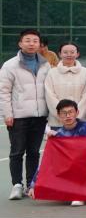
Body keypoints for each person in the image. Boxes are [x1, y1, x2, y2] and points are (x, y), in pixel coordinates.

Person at [1, 29, 51, 200]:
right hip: (18, 116)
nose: (31, 44)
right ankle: (17, 184)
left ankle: (32, 183)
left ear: (39, 44)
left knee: (34, 152)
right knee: (17, 152)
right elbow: (3, 92)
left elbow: (49, 89)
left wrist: (49, 114)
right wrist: (7, 114)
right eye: (27, 40)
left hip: (40, 116)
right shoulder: (10, 65)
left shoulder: (45, 64)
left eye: (35, 41)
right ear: (20, 43)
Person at [30, 99, 86, 205]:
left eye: (71, 112)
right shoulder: (57, 135)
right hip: (66, 168)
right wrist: (34, 185)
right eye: (64, 113)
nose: (68, 116)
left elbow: (81, 145)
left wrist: (58, 136)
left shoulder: (85, 126)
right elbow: (46, 161)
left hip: (84, 165)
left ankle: (79, 195)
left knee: (78, 163)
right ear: (58, 115)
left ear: (77, 112)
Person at [44, 41, 86, 125]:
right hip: (57, 122)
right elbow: (50, 96)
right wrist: (61, 115)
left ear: (77, 54)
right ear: (60, 54)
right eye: (65, 52)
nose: (69, 55)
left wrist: (76, 116)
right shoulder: (52, 73)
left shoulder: (85, 72)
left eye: (72, 52)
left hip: (80, 122)